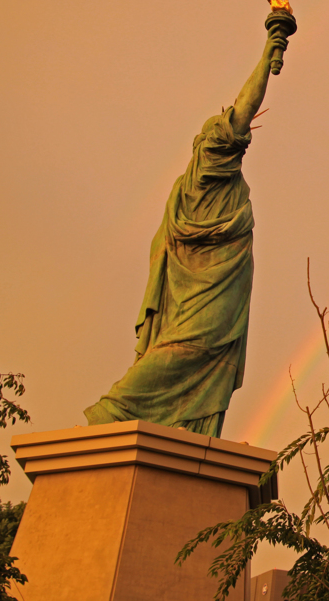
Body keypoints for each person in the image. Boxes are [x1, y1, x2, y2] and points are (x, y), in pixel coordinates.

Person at [83, 24, 290, 438]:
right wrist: (273, 46)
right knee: (184, 352)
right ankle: (114, 408)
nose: (237, 135)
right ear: (210, 144)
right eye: (224, 131)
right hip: (201, 296)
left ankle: (187, 429)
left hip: (220, 288)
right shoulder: (206, 171)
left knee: (201, 358)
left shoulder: (213, 181)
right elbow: (246, 107)